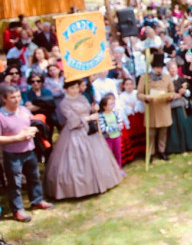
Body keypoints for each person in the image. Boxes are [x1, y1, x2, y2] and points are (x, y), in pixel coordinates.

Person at [45, 80, 122, 199]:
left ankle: (101, 181)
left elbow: (88, 110)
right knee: (76, 160)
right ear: (66, 89)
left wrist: (93, 109)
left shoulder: (82, 97)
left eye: (76, 88)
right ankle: (81, 188)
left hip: (90, 131)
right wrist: (88, 117)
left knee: (98, 156)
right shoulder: (64, 103)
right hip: (75, 133)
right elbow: (71, 120)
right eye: (72, 88)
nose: (75, 90)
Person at [0, 83, 53, 222]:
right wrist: (16, 138)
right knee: (15, 183)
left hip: (29, 150)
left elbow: (33, 124)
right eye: (12, 97)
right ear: (4, 99)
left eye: (18, 96)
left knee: (34, 178)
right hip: (12, 154)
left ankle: (36, 201)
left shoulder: (23, 110)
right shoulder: (1, 116)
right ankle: (17, 210)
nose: (17, 100)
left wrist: (33, 130)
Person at [137, 53, 175, 161]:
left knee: (163, 132)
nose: (159, 70)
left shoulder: (167, 78)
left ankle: (161, 151)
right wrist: (146, 97)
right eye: (157, 67)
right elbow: (139, 94)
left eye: (161, 67)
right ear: (152, 67)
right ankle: (150, 152)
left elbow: (172, 91)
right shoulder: (144, 78)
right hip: (152, 109)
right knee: (151, 133)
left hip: (163, 108)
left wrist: (170, 96)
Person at [165, 61, 192, 155]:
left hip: (183, 106)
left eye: (174, 68)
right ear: (168, 70)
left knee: (185, 125)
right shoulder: (167, 82)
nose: (173, 70)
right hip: (172, 107)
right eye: (171, 68)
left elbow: (189, 93)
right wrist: (174, 95)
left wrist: (185, 91)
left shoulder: (183, 80)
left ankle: (188, 145)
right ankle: (176, 147)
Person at [97, 93, 126, 169]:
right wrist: (115, 127)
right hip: (108, 138)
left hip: (117, 136)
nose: (112, 106)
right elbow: (104, 129)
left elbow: (121, 125)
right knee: (109, 154)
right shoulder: (101, 116)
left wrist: (111, 128)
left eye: (112, 104)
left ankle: (119, 168)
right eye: (110, 104)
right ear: (104, 106)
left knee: (118, 153)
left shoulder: (115, 113)